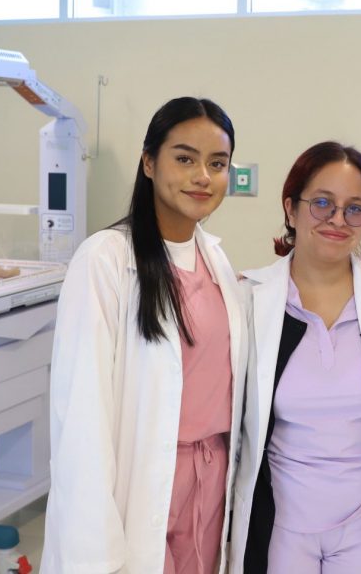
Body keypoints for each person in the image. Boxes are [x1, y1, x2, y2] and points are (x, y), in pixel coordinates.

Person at [41, 97, 246, 574]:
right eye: (185, 159)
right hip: (142, 478)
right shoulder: (105, 260)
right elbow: (81, 417)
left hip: (211, 481)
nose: (203, 176)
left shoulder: (216, 260)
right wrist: (93, 548)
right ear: (149, 163)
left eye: (217, 164)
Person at [229, 142, 361, 574]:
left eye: (354, 209)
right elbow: (236, 427)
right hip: (284, 527)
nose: (337, 220)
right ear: (290, 208)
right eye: (321, 203)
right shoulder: (249, 298)